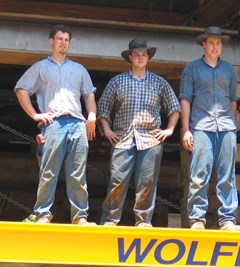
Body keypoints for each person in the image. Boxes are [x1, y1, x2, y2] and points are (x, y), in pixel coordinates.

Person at [14, 24, 97, 225]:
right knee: (49, 171)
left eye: (66, 40)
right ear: (51, 41)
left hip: (77, 123)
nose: (63, 43)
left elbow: (89, 94)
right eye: (60, 39)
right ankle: (42, 214)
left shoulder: (78, 69)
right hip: (54, 123)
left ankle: (80, 217)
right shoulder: (41, 67)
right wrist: (35, 115)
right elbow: (21, 89)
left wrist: (92, 115)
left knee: (77, 173)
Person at [98, 39, 180, 228]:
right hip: (122, 139)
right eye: (136, 54)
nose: (140, 57)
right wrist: (107, 129)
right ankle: (110, 220)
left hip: (151, 139)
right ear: (130, 57)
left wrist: (170, 129)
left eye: (144, 54)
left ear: (148, 57)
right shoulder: (117, 81)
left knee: (147, 183)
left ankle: (143, 221)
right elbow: (103, 107)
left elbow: (174, 107)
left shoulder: (159, 82)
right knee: (117, 181)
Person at [180, 26, 240, 231]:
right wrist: (186, 129)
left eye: (218, 43)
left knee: (227, 175)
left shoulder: (229, 69)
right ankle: (197, 219)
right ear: (204, 45)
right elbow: (186, 99)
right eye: (211, 43)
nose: (215, 47)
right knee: (199, 173)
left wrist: (232, 128)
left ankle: (228, 220)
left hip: (226, 127)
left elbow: (233, 100)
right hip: (201, 126)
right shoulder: (192, 68)